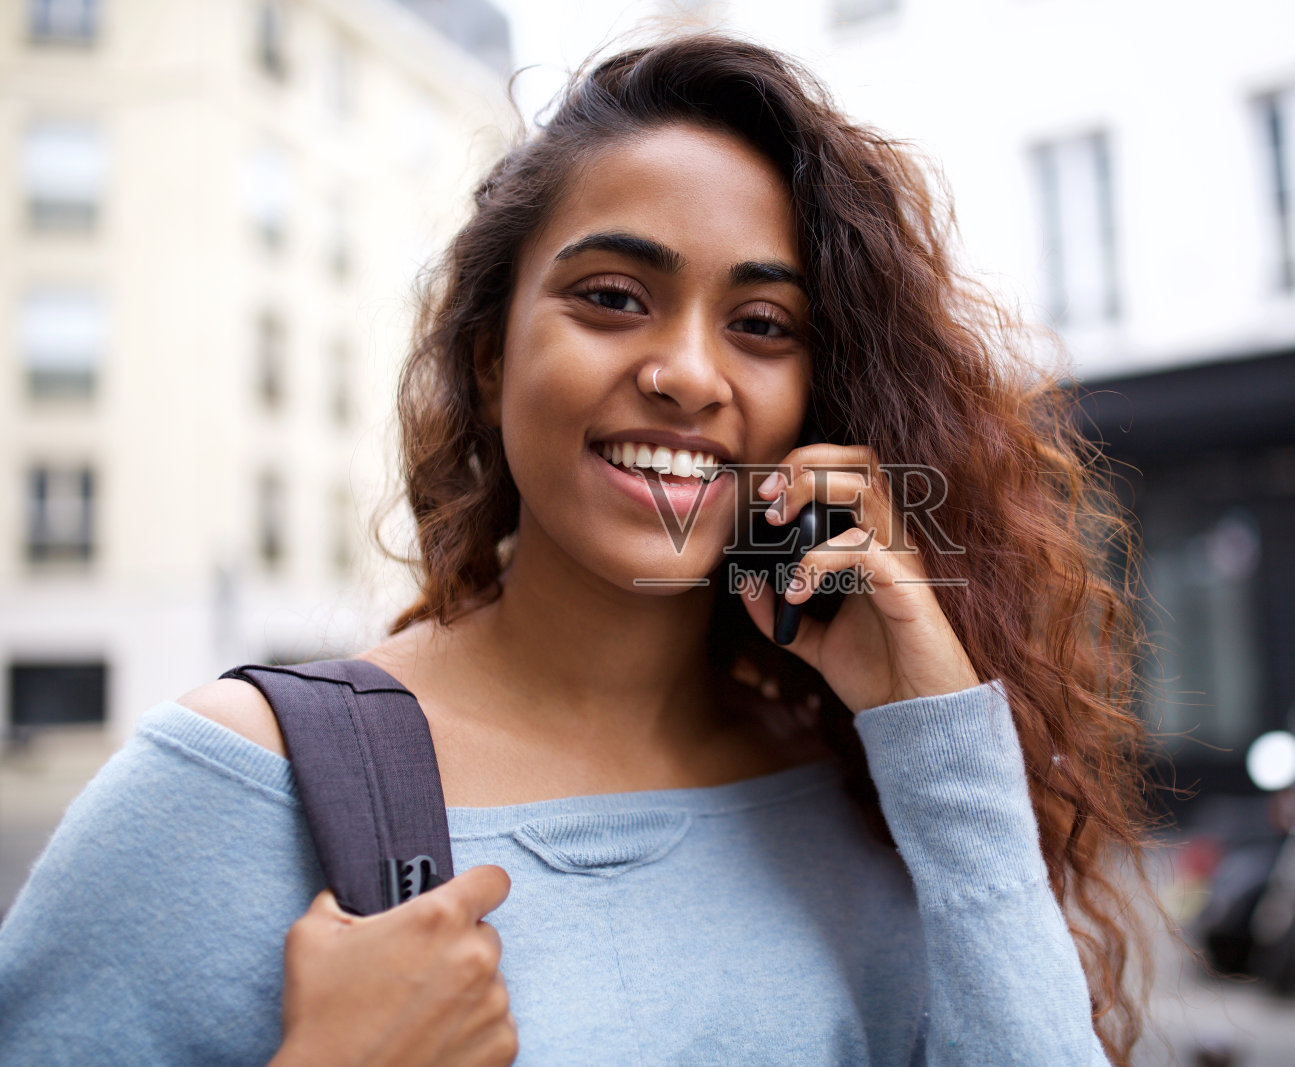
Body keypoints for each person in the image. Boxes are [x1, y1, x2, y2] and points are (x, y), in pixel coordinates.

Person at [0, 33, 1155, 1067]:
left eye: (761, 326)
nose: (689, 374)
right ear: (491, 355)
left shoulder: (866, 794)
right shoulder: (229, 789)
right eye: (611, 297)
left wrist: (943, 742)